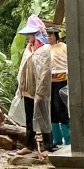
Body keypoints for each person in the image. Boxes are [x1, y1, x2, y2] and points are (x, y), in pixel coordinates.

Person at [14, 18, 50, 153]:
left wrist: (40, 92)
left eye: (31, 34)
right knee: (30, 118)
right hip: (27, 89)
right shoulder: (29, 49)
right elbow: (23, 68)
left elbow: (45, 72)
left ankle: (48, 145)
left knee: (43, 117)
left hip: (39, 90)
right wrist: (20, 87)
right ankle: (29, 145)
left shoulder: (44, 49)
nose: (29, 37)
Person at [33, 25, 69, 149]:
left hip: (62, 81)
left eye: (51, 34)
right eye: (47, 34)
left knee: (62, 109)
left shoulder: (63, 47)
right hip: (49, 82)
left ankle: (68, 140)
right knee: (52, 110)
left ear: (56, 36)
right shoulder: (45, 49)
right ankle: (56, 139)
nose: (49, 36)